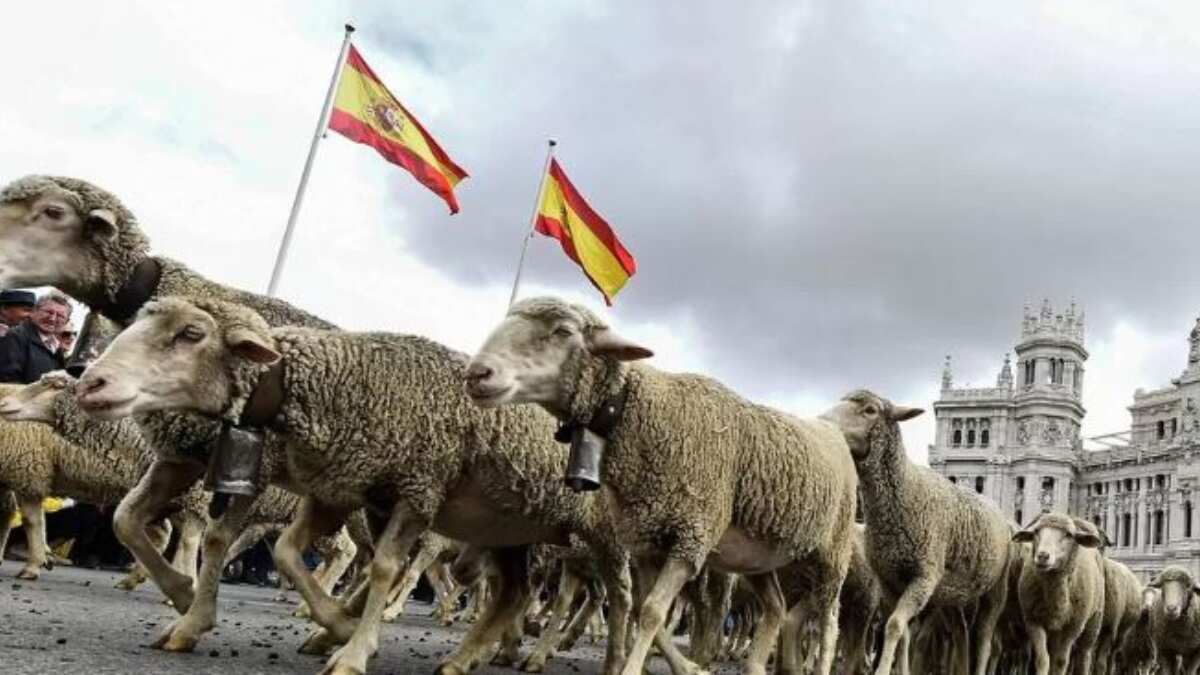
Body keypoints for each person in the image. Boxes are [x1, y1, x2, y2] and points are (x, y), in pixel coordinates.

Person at [0, 291, 72, 384]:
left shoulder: (56, 347)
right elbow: (8, 381)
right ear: (34, 312)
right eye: (49, 312)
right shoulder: (15, 336)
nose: (52, 318)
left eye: (60, 316)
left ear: (66, 321)